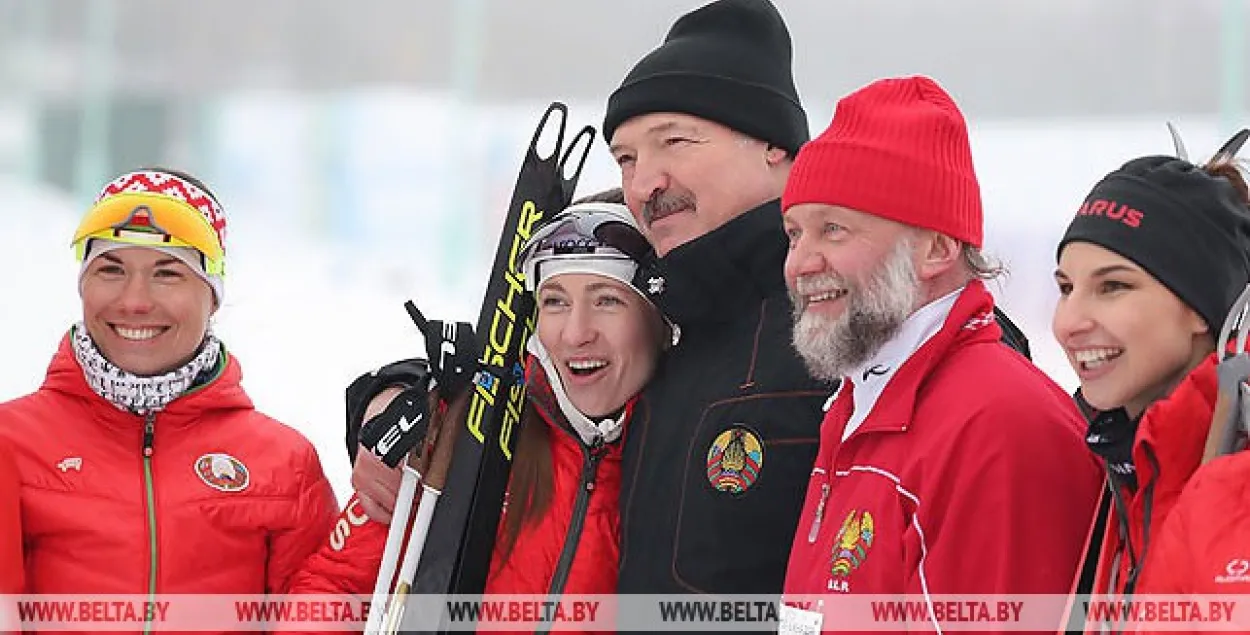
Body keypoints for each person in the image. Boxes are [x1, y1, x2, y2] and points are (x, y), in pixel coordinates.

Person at [778, 75, 1103, 631]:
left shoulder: (997, 424)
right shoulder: (863, 401)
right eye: (792, 233)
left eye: (833, 229)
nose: (800, 263)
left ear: (936, 247)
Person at [284, 196, 672, 634]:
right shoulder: (467, 423)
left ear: (659, 318)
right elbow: (334, 588)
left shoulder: (685, 451)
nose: (576, 333)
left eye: (607, 300)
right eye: (555, 302)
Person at [0, 168, 338, 626]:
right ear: (82, 283)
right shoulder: (12, 441)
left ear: (213, 296)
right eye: (111, 269)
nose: (135, 301)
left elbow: (321, 612)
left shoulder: (284, 463)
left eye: (167, 273)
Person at [1050, 135, 1250, 612]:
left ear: (1202, 307)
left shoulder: (1235, 489)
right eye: (1066, 287)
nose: (1067, 323)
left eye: (1113, 286)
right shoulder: (1119, 467)